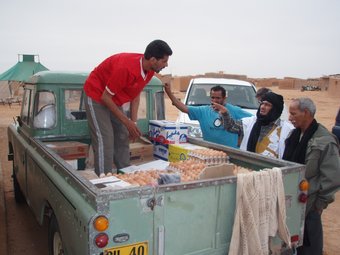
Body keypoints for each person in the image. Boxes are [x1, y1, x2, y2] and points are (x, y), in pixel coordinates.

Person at [84, 39, 173, 177]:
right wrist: (127, 122)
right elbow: (105, 97)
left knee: (122, 134)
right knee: (105, 138)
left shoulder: (149, 71)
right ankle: (104, 178)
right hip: (97, 95)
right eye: (164, 61)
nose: (166, 65)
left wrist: (133, 123)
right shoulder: (126, 68)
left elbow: (135, 97)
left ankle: (125, 173)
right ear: (153, 59)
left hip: (113, 98)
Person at [282, 97, 340, 255]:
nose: (289, 118)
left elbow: (332, 178)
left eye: (293, 114)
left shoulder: (325, 141)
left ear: (306, 113)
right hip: (290, 200)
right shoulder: (294, 135)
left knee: (309, 246)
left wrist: (319, 205)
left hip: (310, 204)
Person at [164, 83, 252, 148]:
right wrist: (169, 93)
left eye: (218, 98)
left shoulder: (234, 110)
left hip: (231, 153)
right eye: (213, 97)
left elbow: (252, 122)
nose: (215, 100)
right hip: (210, 152)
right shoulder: (203, 110)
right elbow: (183, 108)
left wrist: (241, 139)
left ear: (224, 98)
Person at [215, 91, 294, 159]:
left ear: (275, 109)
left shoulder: (286, 130)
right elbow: (231, 126)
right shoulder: (250, 122)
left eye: (267, 105)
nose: (262, 107)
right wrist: (225, 113)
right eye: (262, 104)